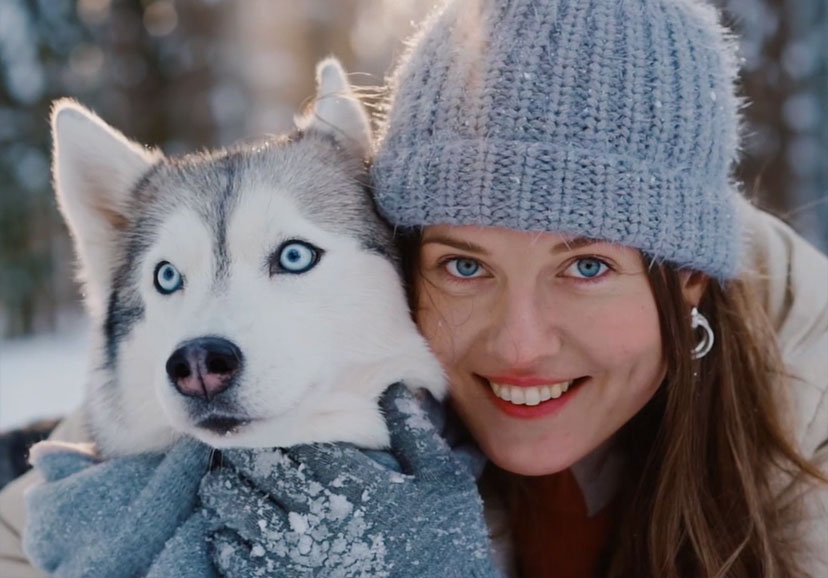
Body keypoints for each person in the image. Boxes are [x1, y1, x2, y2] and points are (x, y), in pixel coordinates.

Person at [2, 0, 826, 576]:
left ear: (686, 279)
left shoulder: (807, 404)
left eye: (586, 266)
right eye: (464, 266)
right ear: (403, 249)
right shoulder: (232, 386)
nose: (519, 343)